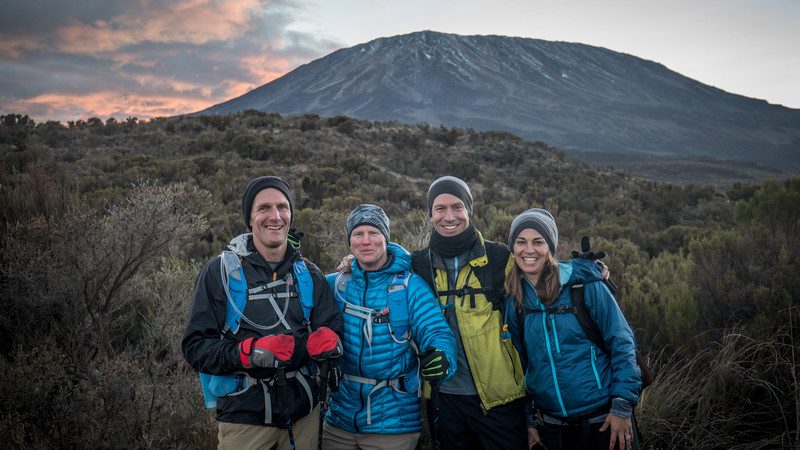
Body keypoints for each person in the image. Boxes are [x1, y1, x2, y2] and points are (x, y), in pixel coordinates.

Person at [410, 176, 606, 450]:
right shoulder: (417, 264)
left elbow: (540, 265)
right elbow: (382, 261)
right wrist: (351, 261)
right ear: (430, 214)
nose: (449, 216)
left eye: (457, 207)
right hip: (444, 401)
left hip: (501, 402)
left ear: (470, 210)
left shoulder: (499, 258)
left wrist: (587, 269)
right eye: (440, 208)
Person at [182, 176, 343, 450]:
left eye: (283, 207)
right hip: (245, 422)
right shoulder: (220, 273)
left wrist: (328, 345)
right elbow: (195, 346)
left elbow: (333, 335)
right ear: (250, 218)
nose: (275, 216)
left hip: (304, 416)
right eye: (264, 208)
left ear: (291, 214)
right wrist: (248, 352)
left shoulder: (309, 274)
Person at [503, 208, 641, 450]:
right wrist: (529, 420)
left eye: (538, 242)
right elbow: (519, 366)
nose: (529, 250)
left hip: (604, 419)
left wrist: (622, 404)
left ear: (551, 248)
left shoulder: (583, 287)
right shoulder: (515, 303)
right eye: (520, 242)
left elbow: (622, 343)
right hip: (553, 427)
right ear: (513, 248)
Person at [322, 204, 456, 450]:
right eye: (358, 234)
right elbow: (297, 297)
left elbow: (436, 331)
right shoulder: (336, 284)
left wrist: (442, 356)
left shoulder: (409, 286)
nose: (366, 241)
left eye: (373, 233)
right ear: (349, 241)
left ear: (385, 237)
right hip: (339, 422)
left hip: (394, 425)